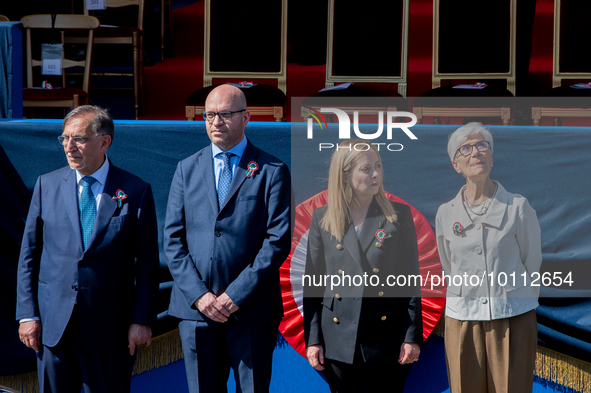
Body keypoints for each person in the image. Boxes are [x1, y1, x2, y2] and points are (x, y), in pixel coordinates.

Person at [16, 105, 160, 393]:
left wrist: (141, 320)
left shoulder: (135, 190)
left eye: (79, 139)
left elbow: (147, 265)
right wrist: (27, 314)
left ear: (104, 141)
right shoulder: (47, 185)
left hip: (109, 330)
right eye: (65, 138)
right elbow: (28, 256)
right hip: (54, 328)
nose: (70, 147)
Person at [164, 84, 292, 393]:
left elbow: (277, 241)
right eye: (209, 115)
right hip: (197, 311)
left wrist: (235, 296)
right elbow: (172, 240)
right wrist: (200, 296)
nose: (216, 123)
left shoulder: (271, 170)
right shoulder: (187, 168)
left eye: (225, 114)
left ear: (246, 117)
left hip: (250, 311)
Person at [303, 139, 422, 393]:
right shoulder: (323, 218)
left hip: (386, 339)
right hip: (337, 340)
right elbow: (313, 285)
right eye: (366, 168)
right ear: (345, 175)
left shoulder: (398, 216)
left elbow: (410, 281)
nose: (375, 174)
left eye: (377, 166)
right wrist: (313, 340)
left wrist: (411, 336)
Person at [435, 122, 542, 392]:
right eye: (466, 148)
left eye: (482, 146)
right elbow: (449, 266)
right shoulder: (445, 213)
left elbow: (532, 264)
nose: (476, 153)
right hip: (462, 319)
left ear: (492, 157)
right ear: (455, 164)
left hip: (512, 318)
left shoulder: (518, 207)